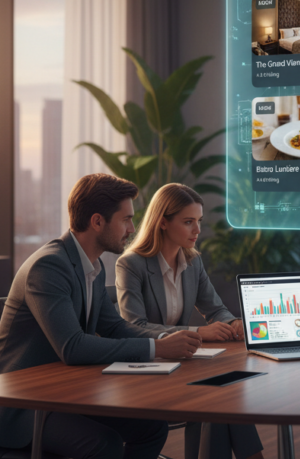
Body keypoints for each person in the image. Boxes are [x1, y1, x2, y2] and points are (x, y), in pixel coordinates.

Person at [0, 173, 203, 459]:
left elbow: (115, 327)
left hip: (60, 395)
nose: (133, 229)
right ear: (97, 222)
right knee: (102, 443)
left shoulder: (93, 267)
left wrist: (167, 337)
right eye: (126, 220)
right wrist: (158, 347)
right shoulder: (48, 267)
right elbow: (72, 347)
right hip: (17, 406)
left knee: (152, 428)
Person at [116, 183, 264, 459]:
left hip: (182, 364)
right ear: (162, 222)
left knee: (223, 394)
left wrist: (233, 323)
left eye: (199, 221)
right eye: (188, 222)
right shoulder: (131, 264)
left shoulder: (192, 261)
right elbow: (134, 326)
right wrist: (198, 332)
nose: (197, 230)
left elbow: (216, 309)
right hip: (145, 369)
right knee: (217, 398)